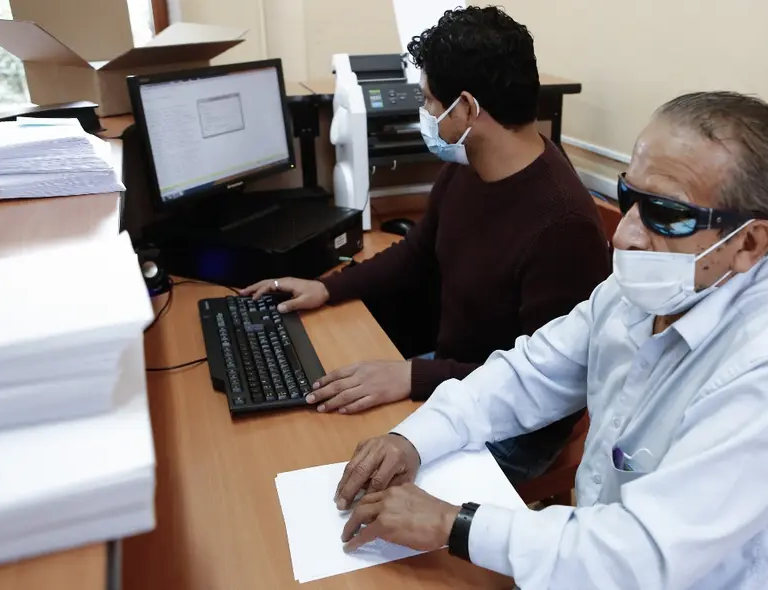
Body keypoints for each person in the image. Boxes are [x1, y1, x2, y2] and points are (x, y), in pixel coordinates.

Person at [330, 92, 768, 589]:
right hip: (588, 558)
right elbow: (528, 372)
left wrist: (452, 524)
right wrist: (414, 438)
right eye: (629, 196)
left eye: (666, 214)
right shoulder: (644, 288)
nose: (625, 235)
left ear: (750, 242)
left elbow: (642, 557)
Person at [242, 7, 610, 484]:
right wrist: (327, 288)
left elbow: (543, 380)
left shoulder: (562, 226)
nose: (427, 115)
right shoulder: (470, 164)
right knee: (326, 425)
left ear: (466, 109)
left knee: (362, 479)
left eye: (430, 102)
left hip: (516, 420)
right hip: (454, 377)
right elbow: (416, 253)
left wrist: (411, 376)